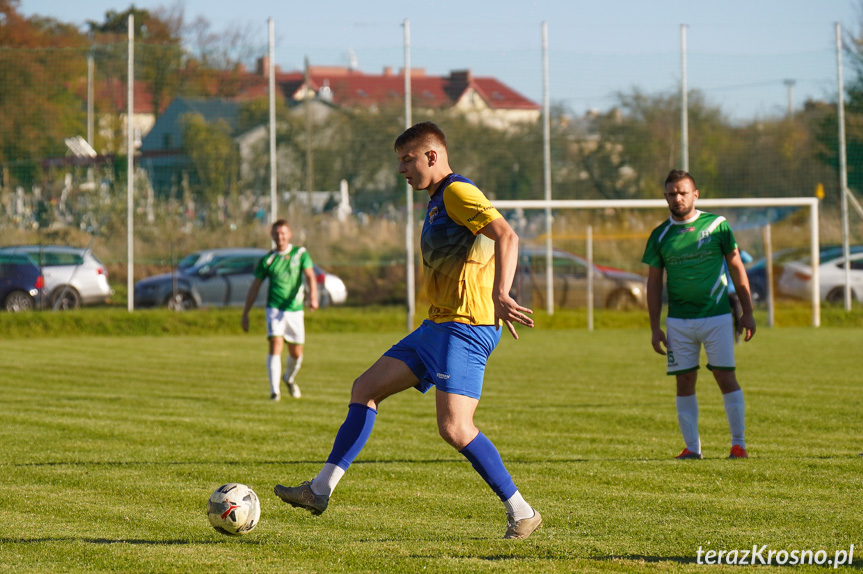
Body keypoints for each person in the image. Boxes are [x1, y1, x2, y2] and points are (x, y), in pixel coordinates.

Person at [273, 121, 542, 540]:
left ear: (431, 156)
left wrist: (501, 294)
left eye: (406, 159)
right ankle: (320, 490)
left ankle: (522, 511)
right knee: (365, 389)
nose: (401, 169)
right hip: (436, 325)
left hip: (465, 328)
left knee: (455, 428)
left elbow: (507, 235)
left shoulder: (456, 191)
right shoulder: (437, 200)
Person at [642, 169, 756, 460]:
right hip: (678, 322)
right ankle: (692, 448)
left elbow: (737, 268)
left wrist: (747, 312)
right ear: (666, 196)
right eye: (671, 193)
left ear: (695, 194)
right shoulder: (660, 235)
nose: (677, 198)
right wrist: (654, 327)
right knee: (684, 381)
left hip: (717, 316)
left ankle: (738, 444)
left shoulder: (717, 225)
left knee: (724, 376)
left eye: (682, 192)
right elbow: (654, 283)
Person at [242, 219, 319, 400]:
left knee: (296, 353)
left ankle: (289, 378)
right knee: (275, 344)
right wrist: (245, 313)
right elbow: (255, 287)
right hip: (274, 310)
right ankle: (274, 391)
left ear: (289, 234)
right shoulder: (268, 260)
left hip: (295, 310)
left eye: (283, 233)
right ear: (272, 236)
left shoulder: (300, 254)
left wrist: (313, 297)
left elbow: (310, 276)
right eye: (276, 233)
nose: (280, 236)